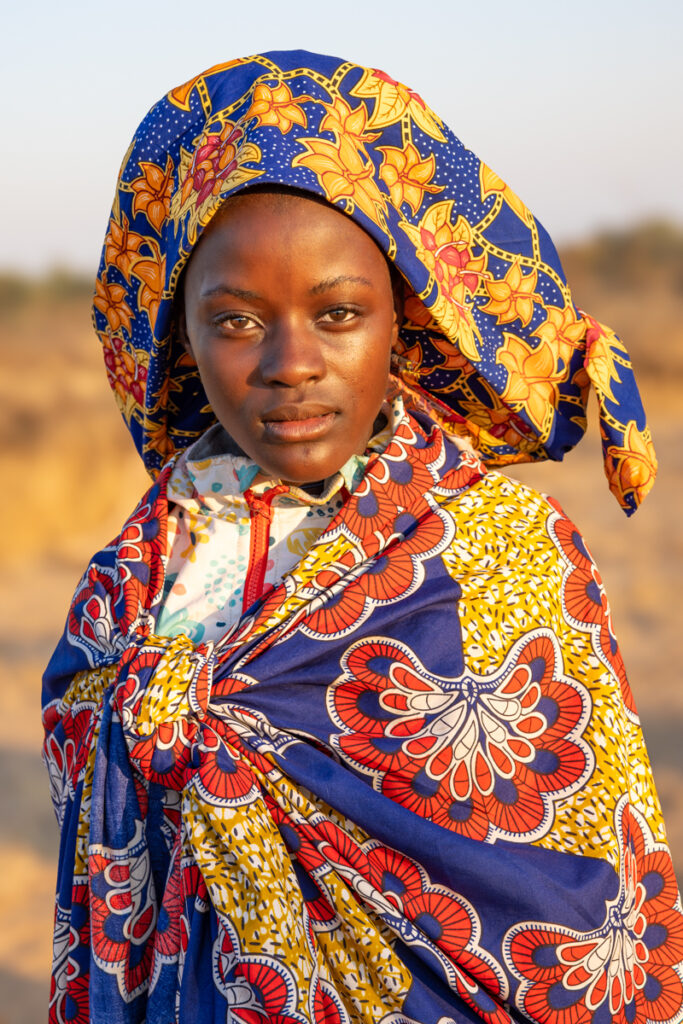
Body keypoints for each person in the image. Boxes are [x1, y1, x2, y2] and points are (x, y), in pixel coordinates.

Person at [42, 50, 682, 1024]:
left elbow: (588, 898)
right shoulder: (130, 583)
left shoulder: (505, 548)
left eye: (336, 313)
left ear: (401, 320)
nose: (289, 363)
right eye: (235, 320)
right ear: (181, 337)